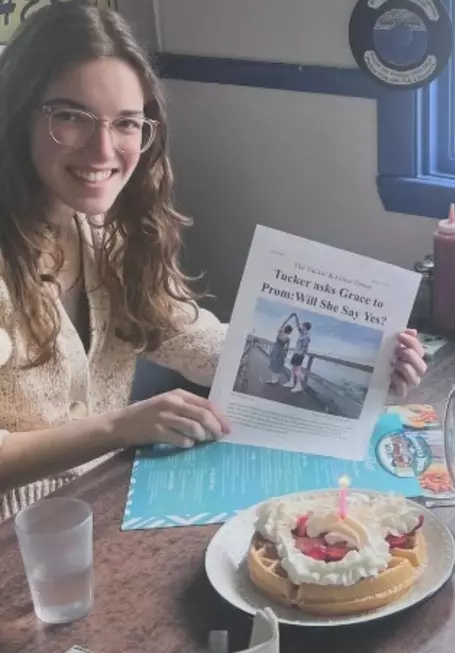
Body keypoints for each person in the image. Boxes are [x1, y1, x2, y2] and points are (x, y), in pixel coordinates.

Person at [0, 4, 428, 521]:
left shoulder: (104, 235)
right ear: (18, 111)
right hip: (18, 548)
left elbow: (204, 345)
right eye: (70, 116)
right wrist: (122, 426)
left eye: (127, 124)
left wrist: (370, 370)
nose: (103, 149)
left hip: (102, 510)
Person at [284, 321, 312, 393]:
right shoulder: (302, 334)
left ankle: (298, 386)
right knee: (293, 368)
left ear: (305, 327)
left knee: (297, 370)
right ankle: (291, 382)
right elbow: (298, 327)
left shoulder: (307, 336)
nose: (301, 327)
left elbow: (305, 347)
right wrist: (296, 318)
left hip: (299, 354)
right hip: (296, 353)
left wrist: (300, 354)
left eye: (302, 326)